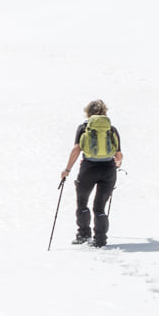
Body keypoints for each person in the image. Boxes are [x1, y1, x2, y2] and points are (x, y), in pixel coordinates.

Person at [60, 100, 123, 247]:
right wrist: (116, 166)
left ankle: (83, 235)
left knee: (82, 203)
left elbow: (76, 150)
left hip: (88, 169)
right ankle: (100, 240)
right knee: (100, 207)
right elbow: (118, 156)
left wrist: (67, 170)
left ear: (87, 112)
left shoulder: (83, 128)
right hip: (108, 170)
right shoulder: (111, 129)